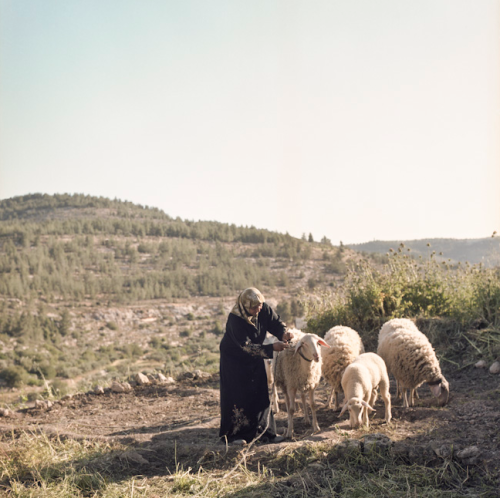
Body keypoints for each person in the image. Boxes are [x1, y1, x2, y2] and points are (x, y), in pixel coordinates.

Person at [219, 287, 293, 445]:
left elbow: (275, 323)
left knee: (259, 390)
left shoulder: (262, 307)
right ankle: (236, 436)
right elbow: (246, 346)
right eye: (254, 307)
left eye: (259, 305)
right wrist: (272, 347)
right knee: (238, 394)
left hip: (256, 355)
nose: (258, 309)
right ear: (245, 306)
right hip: (234, 360)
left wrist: (283, 333)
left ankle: (266, 433)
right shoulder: (235, 320)